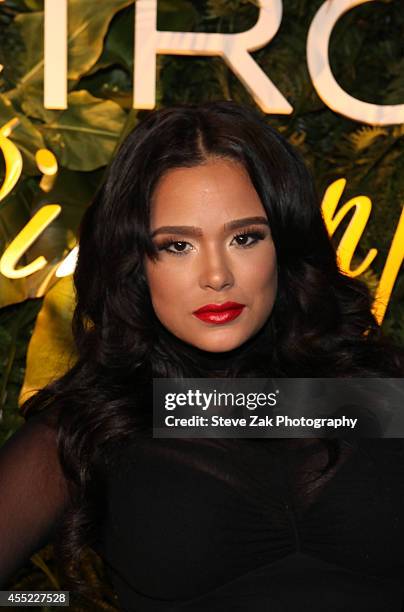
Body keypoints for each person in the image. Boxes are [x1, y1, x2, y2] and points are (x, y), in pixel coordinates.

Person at [0, 101, 404, 611]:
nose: (216, 275)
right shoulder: (101, 422)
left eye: (244, 237)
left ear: (283, 243)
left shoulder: (380, 395)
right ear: (134, 262)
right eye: (177, 246)